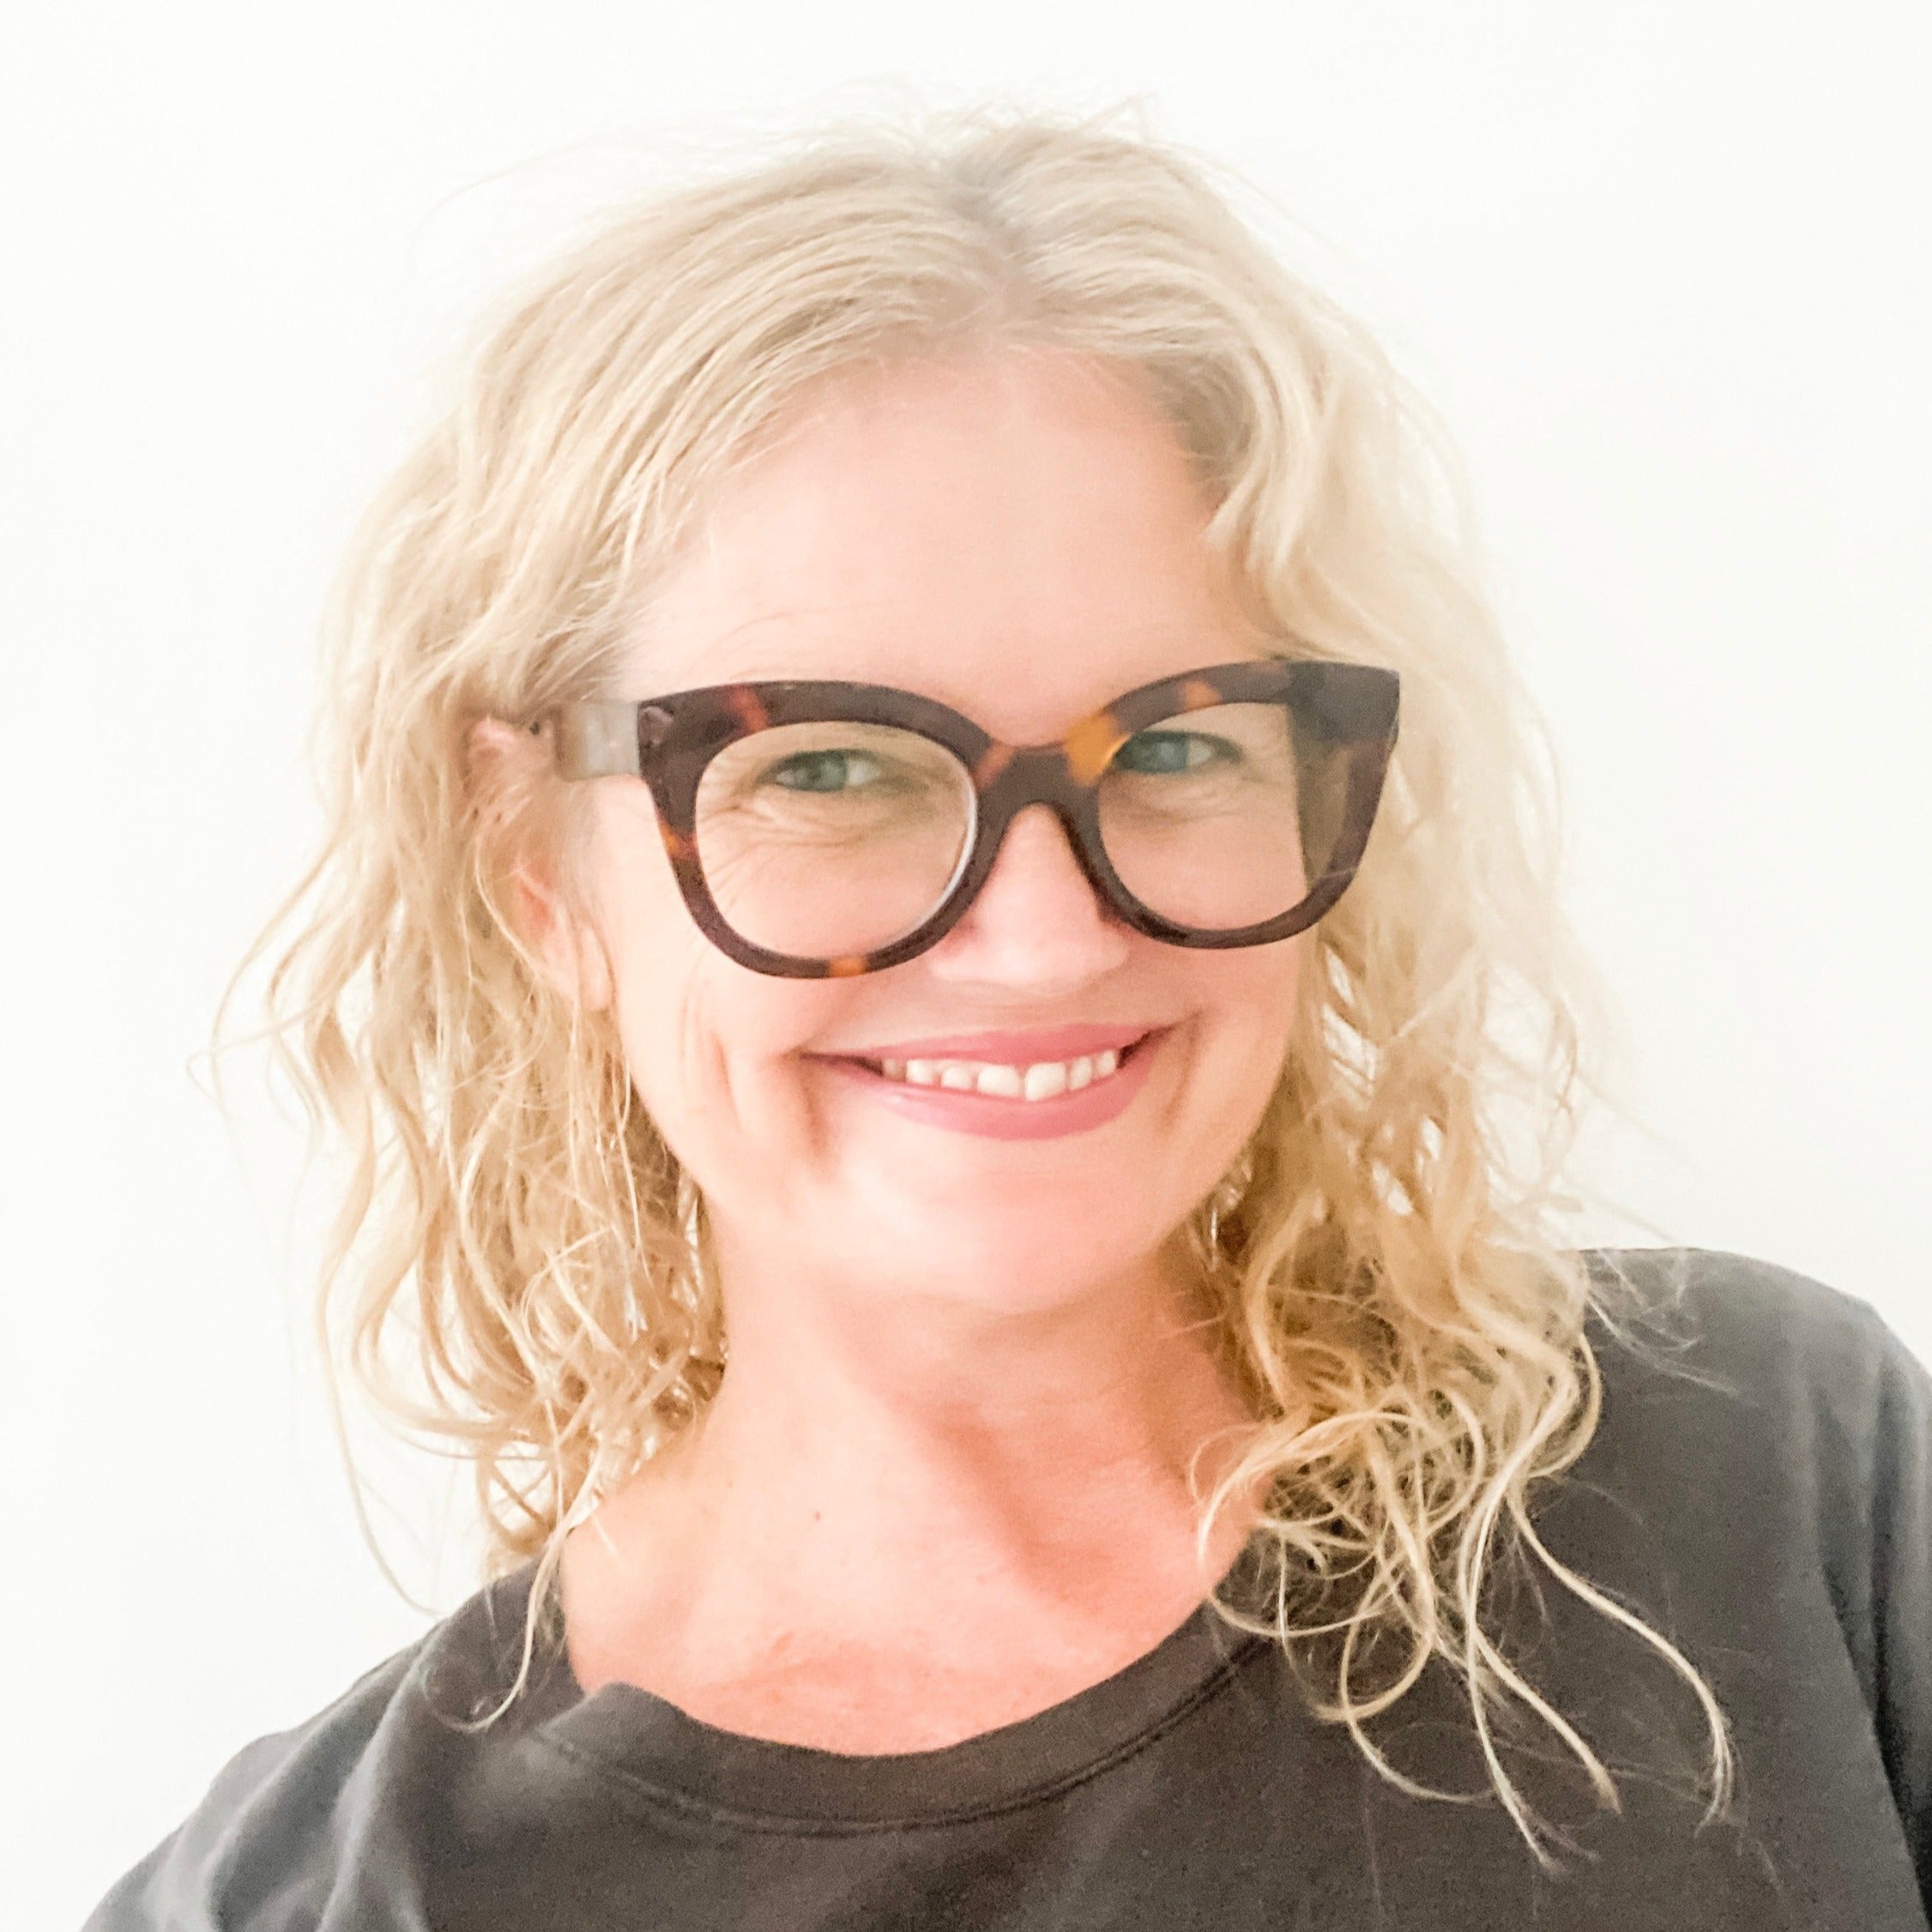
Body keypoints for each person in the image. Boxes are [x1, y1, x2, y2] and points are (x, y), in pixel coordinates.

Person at [88, 114, 1929, 1929]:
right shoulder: (329, 1899)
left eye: (1181, 745)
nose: (1045, 943)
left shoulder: (1770, 1483)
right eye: (826, 765)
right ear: (536, 869)